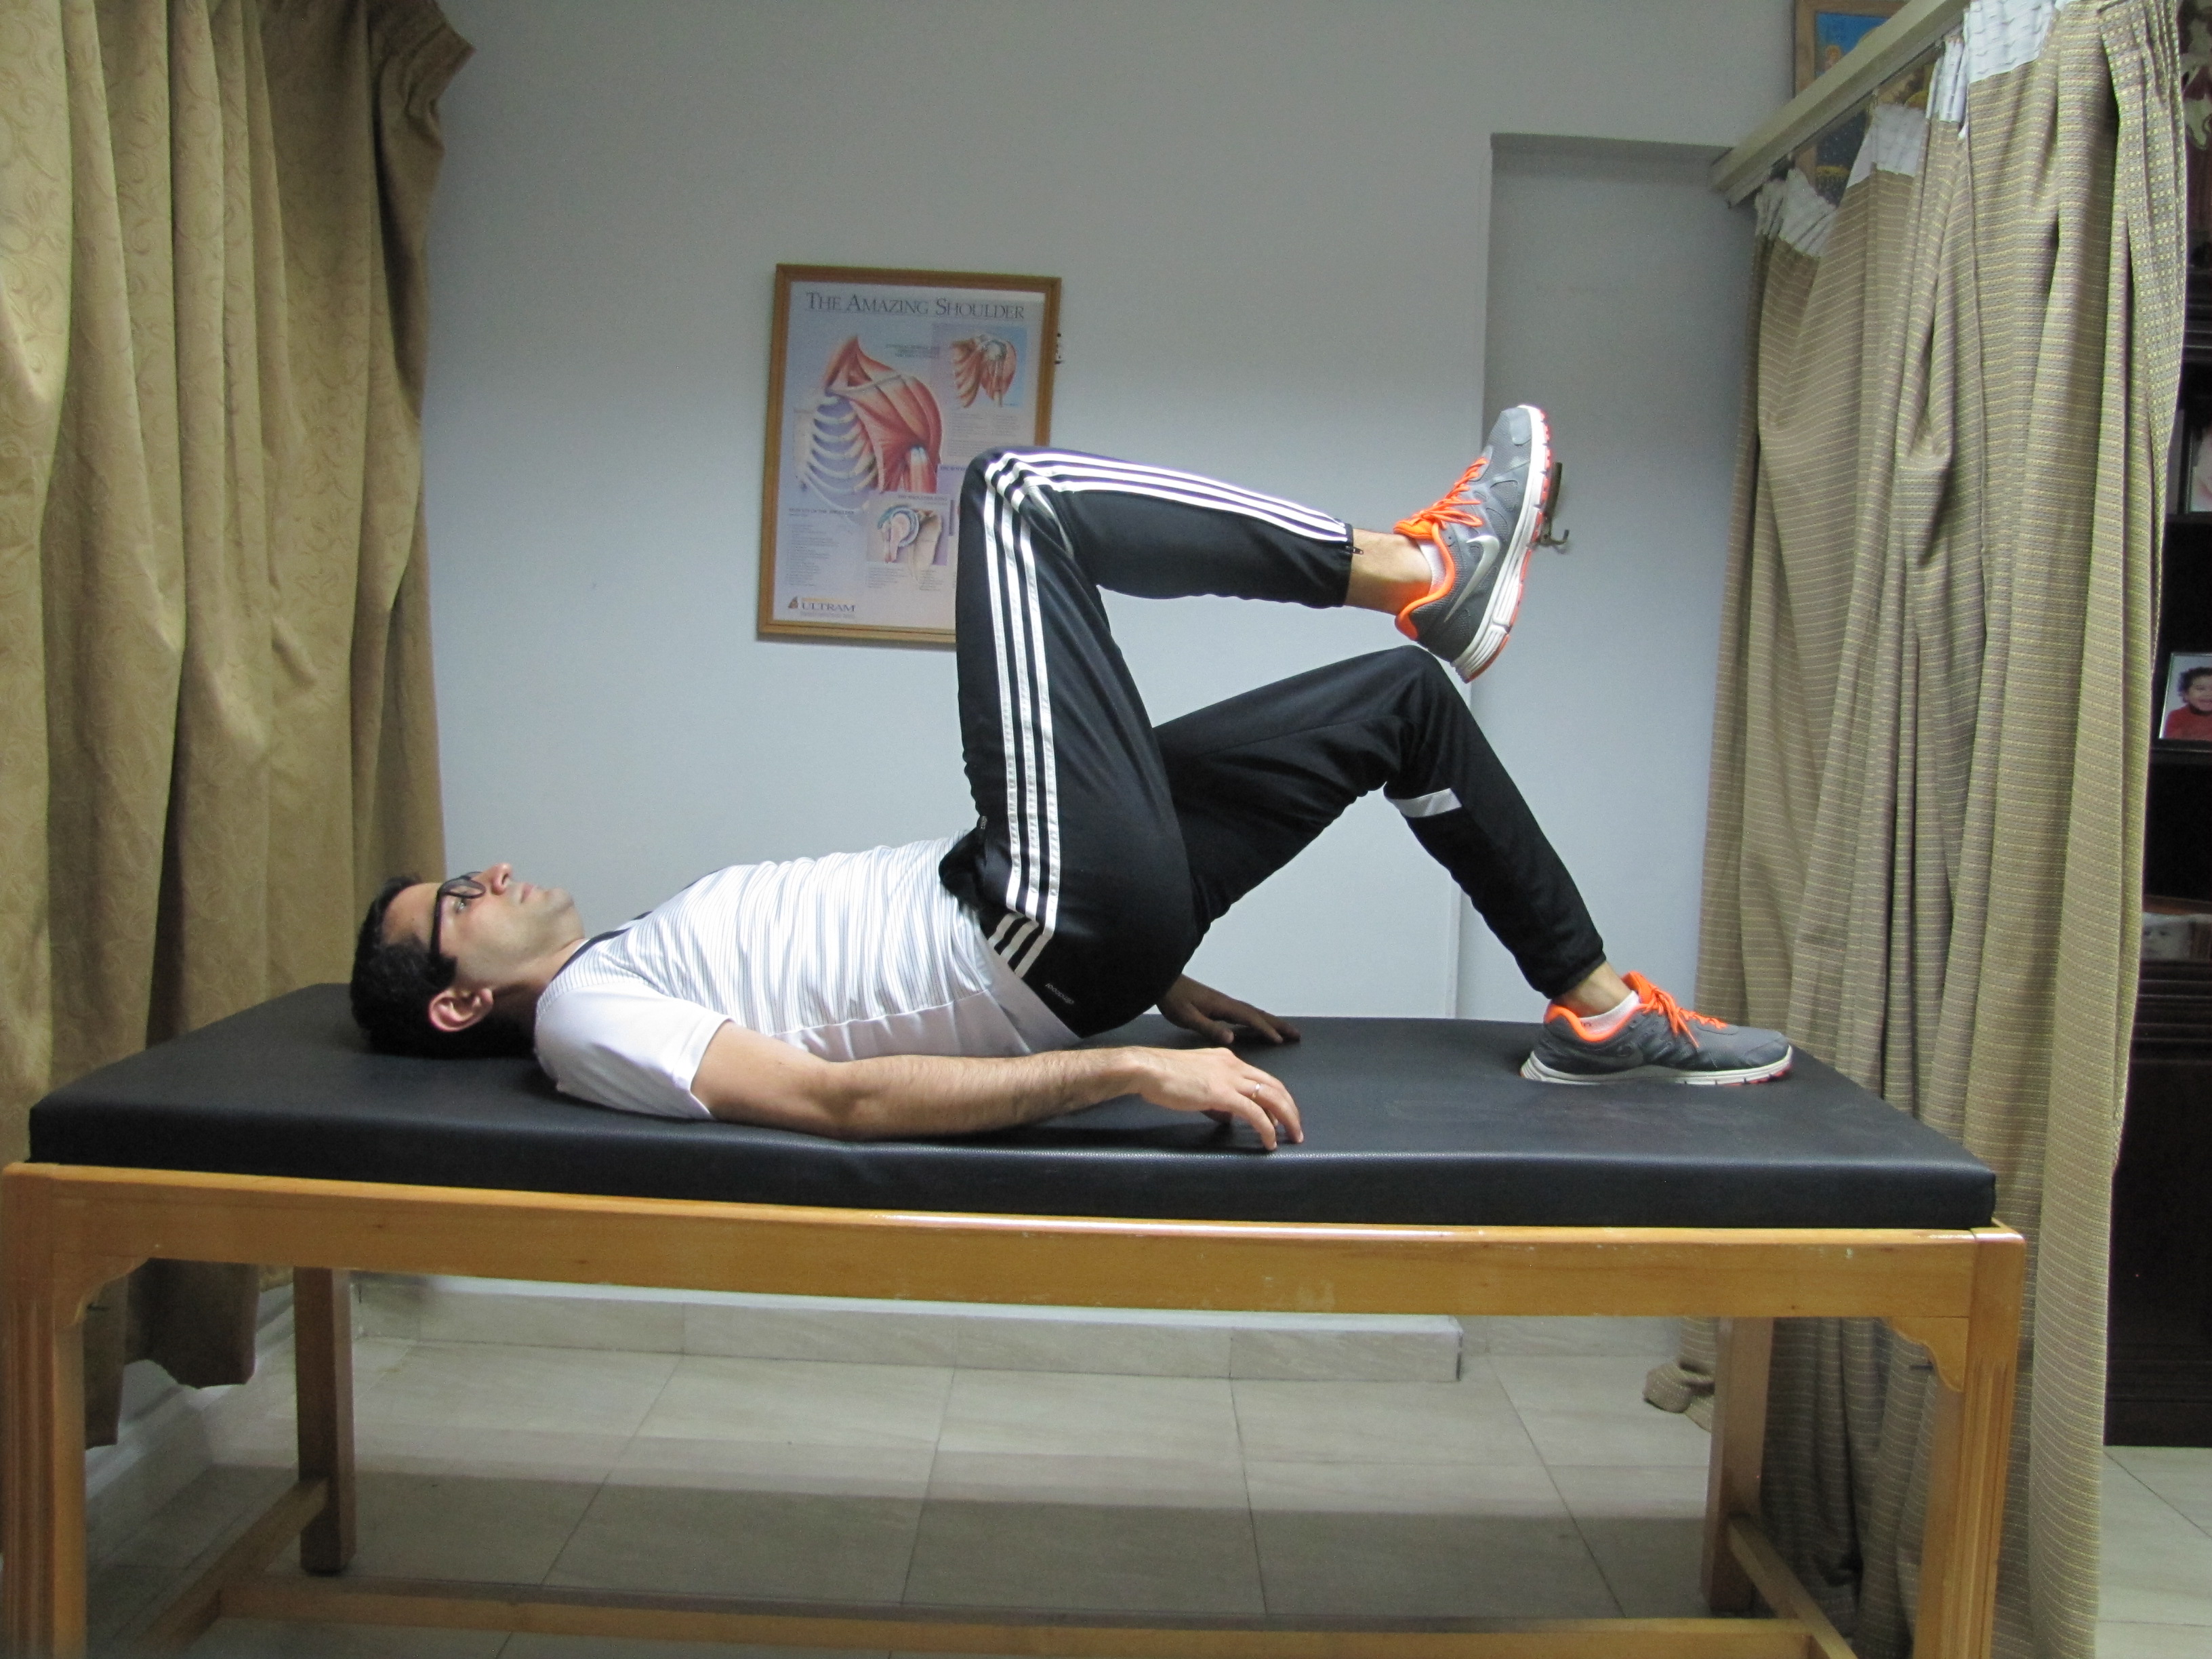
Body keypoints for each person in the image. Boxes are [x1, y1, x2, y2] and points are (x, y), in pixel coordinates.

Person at [352, 408, 1793, 1149]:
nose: (491, 872)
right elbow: (834, 1101)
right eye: (459, 900)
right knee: (1016, 496)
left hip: (1061, 921)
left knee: (1398, 706)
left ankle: (1600, 1013)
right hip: (1039, 924)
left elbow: (861, 985)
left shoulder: (622, 962)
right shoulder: (585, 1022)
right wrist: (1125, 1061)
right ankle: (1422, 567)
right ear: (460, 999)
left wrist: (1153, 978)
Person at [2163, 666, 2212, 740]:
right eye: (2201, 689)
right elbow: (2171, 743)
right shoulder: (2177, 716)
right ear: (2186, 694)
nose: (2209, 694)